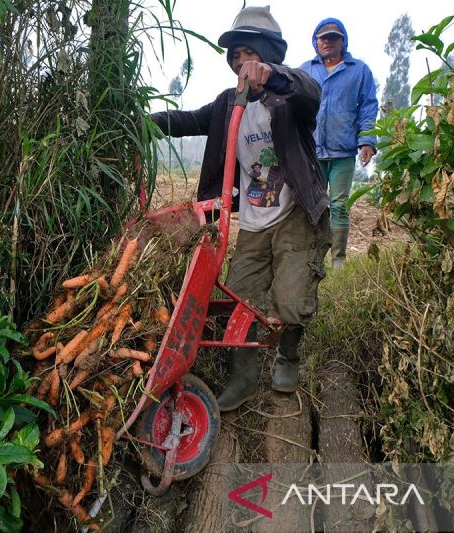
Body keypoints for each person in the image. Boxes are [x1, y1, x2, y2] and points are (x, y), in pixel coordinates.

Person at [149, 5, 331, 410]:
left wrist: (273, 77)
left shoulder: (289, 98)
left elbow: (310, 89)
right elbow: (186, 120)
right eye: (234, 55)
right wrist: (145, 122)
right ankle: (243, 377)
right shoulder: (227, 103)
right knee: (242, 300)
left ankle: (288, 356)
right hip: (253, 221)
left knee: (290, 298)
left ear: (268, 54)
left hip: (296, 215)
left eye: (247, 53)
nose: (239, 62)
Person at [300, 18, 378, 268]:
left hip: (343, 151)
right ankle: (314, 258)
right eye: (323, 38)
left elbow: (368, 107)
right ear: (316, 42)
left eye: (334, 38)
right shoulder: (306, 70)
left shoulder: (359, 70)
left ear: (343, 41)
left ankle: (339, 261)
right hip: (312, 151)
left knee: (339, 205)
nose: (328, 42)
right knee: (314, 205)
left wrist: (367, 140)